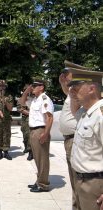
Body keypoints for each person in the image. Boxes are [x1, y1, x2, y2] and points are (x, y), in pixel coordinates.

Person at [68, 66, 103, 210]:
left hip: (94, 185)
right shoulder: (85, 111)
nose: (72, 92)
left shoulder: (100, 115)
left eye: (76, 88)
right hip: (80, 180)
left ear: (91, 88)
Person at [25, 79, 54, 192]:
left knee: (42, 159)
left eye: (35, 86)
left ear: (41, 87)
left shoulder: (44, 99)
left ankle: (43, 184)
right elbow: (22, 102)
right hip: (33, 130)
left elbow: (50, 117)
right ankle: (39, 181)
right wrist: (26, 91)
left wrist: (45, 133)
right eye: (32, 86)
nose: (32, 87)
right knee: (38, 158)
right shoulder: (35, 100)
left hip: (40, 130)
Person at [58, 61, 80, 210]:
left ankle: (79, 205)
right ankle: (76, 205)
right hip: (69, 140)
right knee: (74, 179)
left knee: (78, 179)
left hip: (74, 139)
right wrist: (62, 82)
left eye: (68, 75)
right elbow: (67, 92)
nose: (66, 77)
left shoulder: (78, 92)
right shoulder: (70, 93)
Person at [17, 84, 34, 161]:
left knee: (31, 136)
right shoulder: (21, 99)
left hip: (34, 120)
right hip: (25, 120)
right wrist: (31, 113)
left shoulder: (35, 99)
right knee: (25, 135)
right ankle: (26, 147)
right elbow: (20, 109)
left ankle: (31, 152)